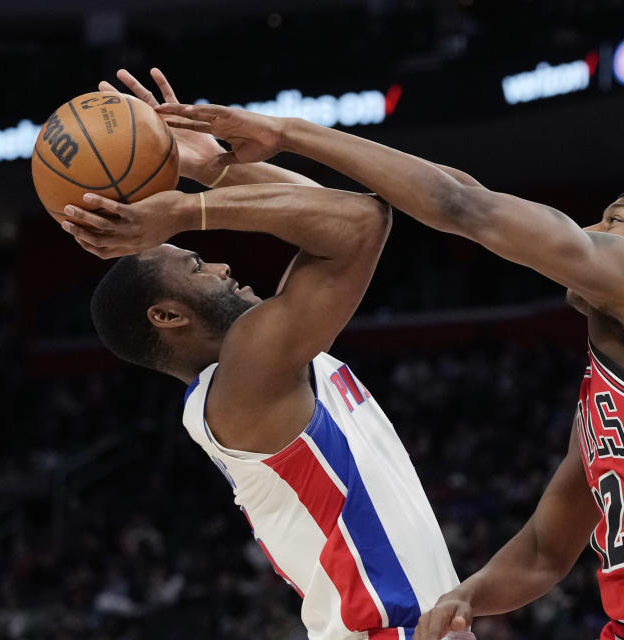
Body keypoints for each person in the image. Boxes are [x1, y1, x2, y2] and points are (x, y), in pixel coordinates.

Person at [150, 102, 624, 640]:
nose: (588, 230)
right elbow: (547, 549)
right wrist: (466, 597)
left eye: (614, 223)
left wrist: (285, 132)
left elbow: (467, 206)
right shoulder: (605, 394)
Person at [61, 69, 470, 640]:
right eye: (199, 266)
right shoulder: (244, 381)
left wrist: (209, 165)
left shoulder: (270, 361)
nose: (224, 267)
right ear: (168, 316)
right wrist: (184, 209)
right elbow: (360, 220)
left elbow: (341, 209)